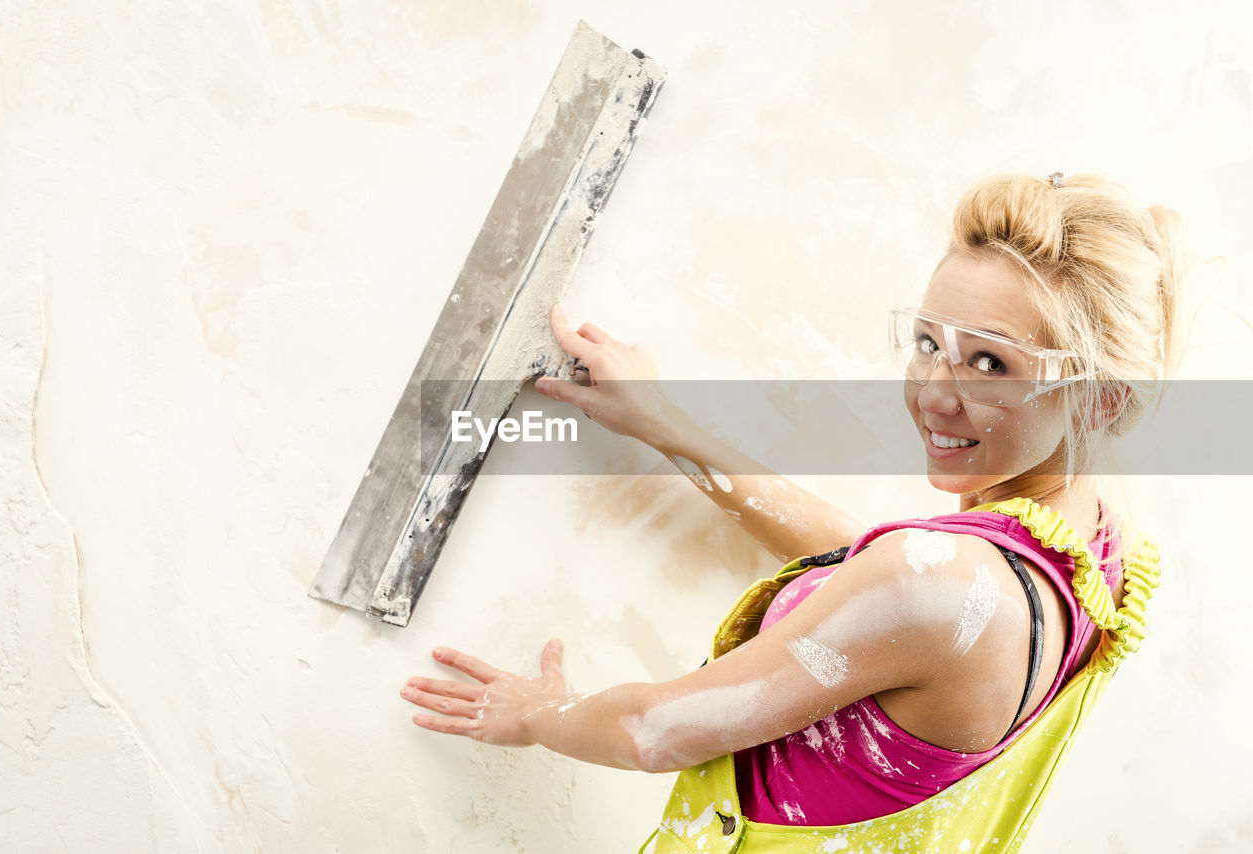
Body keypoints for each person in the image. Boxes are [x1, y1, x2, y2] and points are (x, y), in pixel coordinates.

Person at [400, 172, 1186, 851]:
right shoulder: (1093, 555)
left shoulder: (945, 592)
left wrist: (542, 712)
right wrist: (665, 422)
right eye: (925, 341)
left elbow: (654, 731)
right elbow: (880, 580)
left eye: (991, 363)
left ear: (1104, 399)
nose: (934, 391)